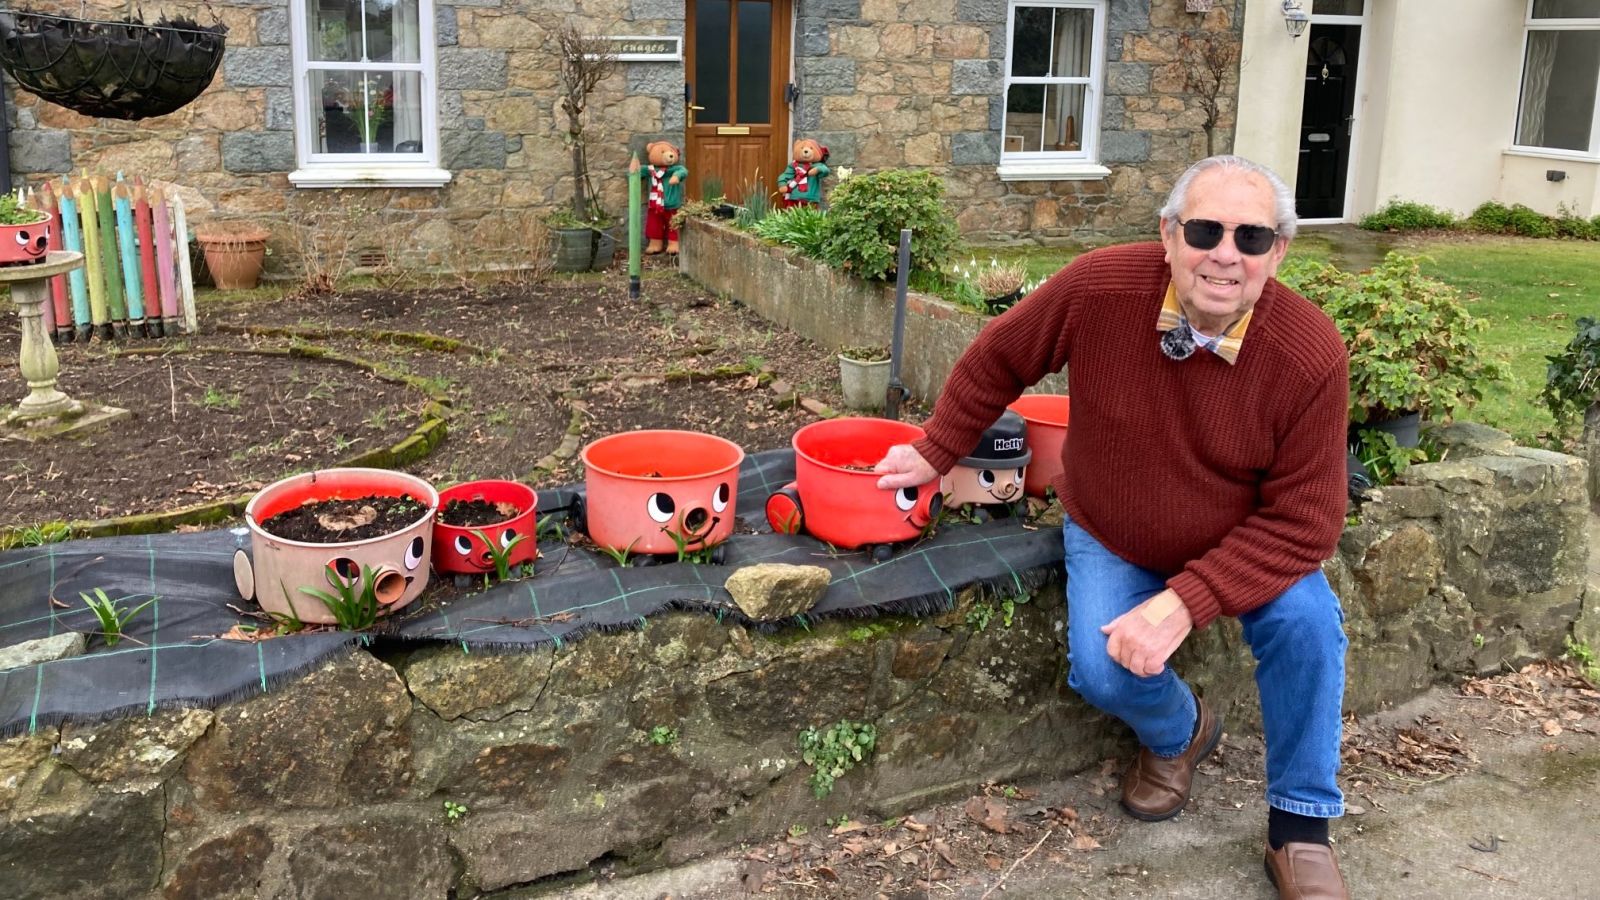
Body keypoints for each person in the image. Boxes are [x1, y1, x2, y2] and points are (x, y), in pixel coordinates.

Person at [874, 155, 1351, 899]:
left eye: (1252, 238)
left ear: (1277, 252)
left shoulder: (1308, 352)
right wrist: (937, 450)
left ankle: (1301, 825)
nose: (1226, 254)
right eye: (1205, 229)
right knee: (1101, 671)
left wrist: (1184, 602)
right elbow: (1001, 356)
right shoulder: (1100, 287)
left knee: (1310, 627)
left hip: (1242, 541)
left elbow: (1306, 523)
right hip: (1112, 528)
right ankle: (1181, 732)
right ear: (1168, 234)